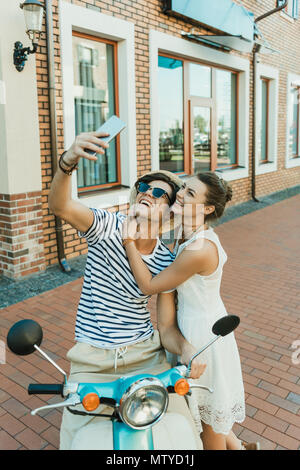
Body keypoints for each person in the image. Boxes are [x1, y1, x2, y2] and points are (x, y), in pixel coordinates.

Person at [48, 129, 206, 450]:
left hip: (146, 356)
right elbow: (61, 206)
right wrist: (68, 162)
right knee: (74, 438)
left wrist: (187, 349)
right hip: (92, 358)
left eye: (159, 193)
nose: (148, 193)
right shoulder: (106, 226)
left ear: (168, 212)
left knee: (183, 430)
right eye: (144, 188)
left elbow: (165, 327)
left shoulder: (167, 258)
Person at [123, 172, 259, 451]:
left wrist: (129, 243)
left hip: (203, 336)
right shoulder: (188, 231)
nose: (181, 194)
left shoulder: (199, 248)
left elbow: (149, 285)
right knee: (209, 413)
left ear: (208, 209)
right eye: (184, 188)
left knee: (208, 429)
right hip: (194, 326)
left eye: (191, 194)